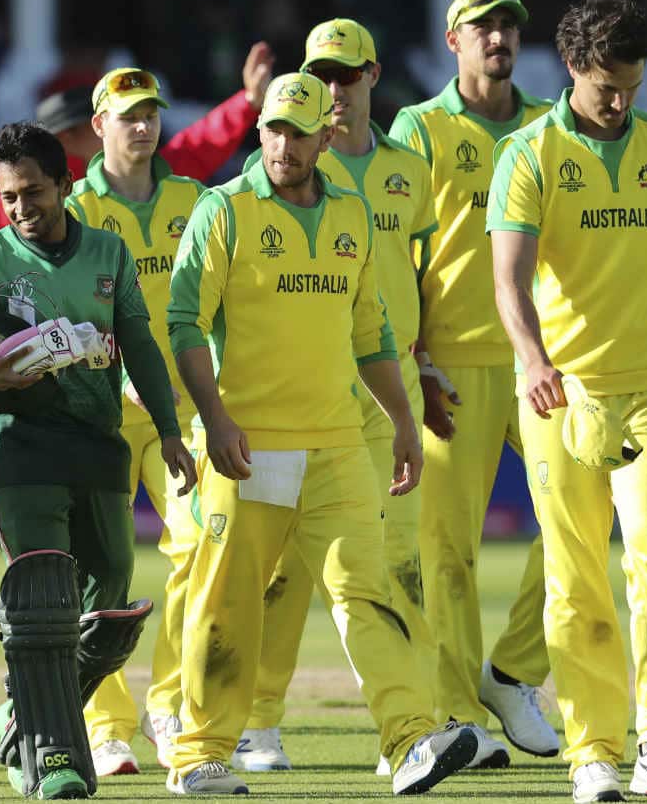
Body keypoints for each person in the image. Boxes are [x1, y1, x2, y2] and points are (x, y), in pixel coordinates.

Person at [164, 71, 476, 797]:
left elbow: (373, 335)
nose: (283, 145)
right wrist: (215, 420)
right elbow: (183, 324)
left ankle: (410, 741)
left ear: (326, 137)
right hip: (249, 447)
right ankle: (198, 755)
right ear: (260, 130)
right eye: (273, 130)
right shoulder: (223, 210)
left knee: (367, 591)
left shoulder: (352, 215)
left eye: (299, 133)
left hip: (337, 443)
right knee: (229, 601)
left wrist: (403, 423)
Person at [489, 0, 647, 802]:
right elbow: (509, 278)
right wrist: (533, 361)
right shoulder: (528, 154)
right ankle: (593, 752)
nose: (621, 101)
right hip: (563, 398)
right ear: (572, 67)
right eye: (607, 87)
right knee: (575, 577)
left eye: (632, 86)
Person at [0, 121, 195, 799]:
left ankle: (17, 717)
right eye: (9, 196)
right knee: (44, 603)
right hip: (21, 449)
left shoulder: (107, 252)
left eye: (34, 192)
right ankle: (52, 760)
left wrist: (169, 430)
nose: (21, 209)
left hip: (99, 445)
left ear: (66, 185)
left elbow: (140, 342)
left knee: (110, 616)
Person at [235, 17, 468, 774]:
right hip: (305, 390)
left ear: (372, 76)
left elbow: (415, 278)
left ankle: (419, 726)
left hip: (386, 388)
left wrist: (422, 366)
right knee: (286, 572)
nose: (331, 89)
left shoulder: (409, 170)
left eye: (344, 74)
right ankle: (255, 724)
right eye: (319, 75)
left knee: (393, 567)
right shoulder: (294, 164)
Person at [387, 0, 559, 759]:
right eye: (481, 27)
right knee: (447, 552)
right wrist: (417, 359)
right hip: (451, 361)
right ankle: (459, 716)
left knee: (584, 522)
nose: (498, 37)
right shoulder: (419, 128)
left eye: (508, 26)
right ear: (452, 41)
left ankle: (513, 671)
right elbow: (399, 255)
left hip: (541, 358)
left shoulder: (549, 126)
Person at [63, 68, 206, 776]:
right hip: (100, 416)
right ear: (99, 126)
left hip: (180, 414)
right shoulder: (77, 207)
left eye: (151, 112)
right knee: (101, 570)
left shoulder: (194, 199)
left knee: (202, 543)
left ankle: (168, 704)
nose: (143, 126)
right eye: (128, 115)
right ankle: (105, 724)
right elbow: (66, 307)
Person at [0, 42, 277, 280]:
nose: (136, 129)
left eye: (146, 117)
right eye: (121, 119)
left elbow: (194, 149)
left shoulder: (138, 173)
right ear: (74, 133)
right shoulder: (26, 182)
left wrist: (248, 102)